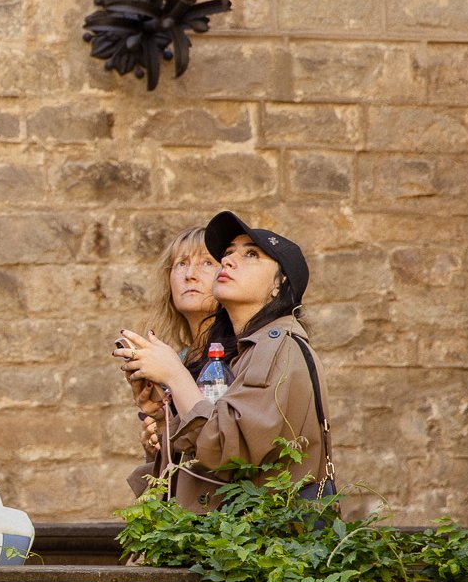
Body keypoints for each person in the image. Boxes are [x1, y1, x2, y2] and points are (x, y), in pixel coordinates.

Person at [115, 210, 331, 512]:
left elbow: (226, 453)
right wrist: (167, 419)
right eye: (228, 253)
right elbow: (202, 467)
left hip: (256, 552)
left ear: (279, 284)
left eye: (252, 255)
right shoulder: (250, 351)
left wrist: (176, 376)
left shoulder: (279, 346)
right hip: (223, 544)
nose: (227, 261)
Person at [124, 228, 219, 500]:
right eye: (181, 263)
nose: (190, 274)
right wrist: (158, 442)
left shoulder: (240, 354)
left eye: (206, 263)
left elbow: (224, 445)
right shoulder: (177, 360)